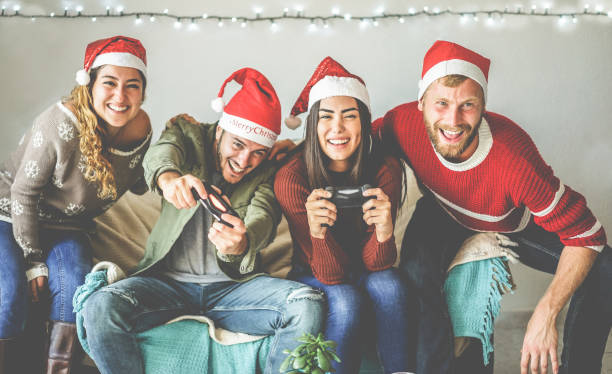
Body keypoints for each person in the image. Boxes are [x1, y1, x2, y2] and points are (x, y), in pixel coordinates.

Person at [373, 40, 611, 374]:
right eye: (441, 103)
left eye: (467, 105)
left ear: (484, 105)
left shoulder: (514, 160)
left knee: (606, 267)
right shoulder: (401, 124)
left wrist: (546, 313)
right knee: (415, 273)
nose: (453, 120)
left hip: (508, 221)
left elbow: (587, 235)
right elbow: (352, 142)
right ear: (421, 103)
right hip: (442, 211)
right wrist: (296, 151)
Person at [81, 67, 324, 374]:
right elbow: (162, 153)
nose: (244, 162)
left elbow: (264, 213)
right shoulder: (188, 134)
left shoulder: (268, 170)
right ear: (220, 131)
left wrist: (243, 242)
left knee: (307, 302)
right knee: (101, 305)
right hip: (166, 285)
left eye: (257, 153)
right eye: (237, 145)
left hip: (235, 290)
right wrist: (170, 180)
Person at [0, 35, 151, 373]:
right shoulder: (59, 123)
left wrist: (175, 149)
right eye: (109, 83)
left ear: (143, 91)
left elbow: (139, 183)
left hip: (67, 227)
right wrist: (34, 259)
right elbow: (22, 193)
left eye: (132, 85)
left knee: (73, 295)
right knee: (8, 298)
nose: (120, 96)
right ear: (89, 84)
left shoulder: (141, 128)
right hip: (9, 213)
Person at [275, 57, 413, 374]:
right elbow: (331, 276)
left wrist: (383, 232)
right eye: (326, 117)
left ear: (364, 123)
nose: (337, 128)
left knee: (390, 286)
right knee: (346, 301)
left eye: (349, 117)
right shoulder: (291, 179)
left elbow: (378, 264)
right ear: (312, 125)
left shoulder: (384, 169)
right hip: (314, 269)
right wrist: (318, 234)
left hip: (367, 265)